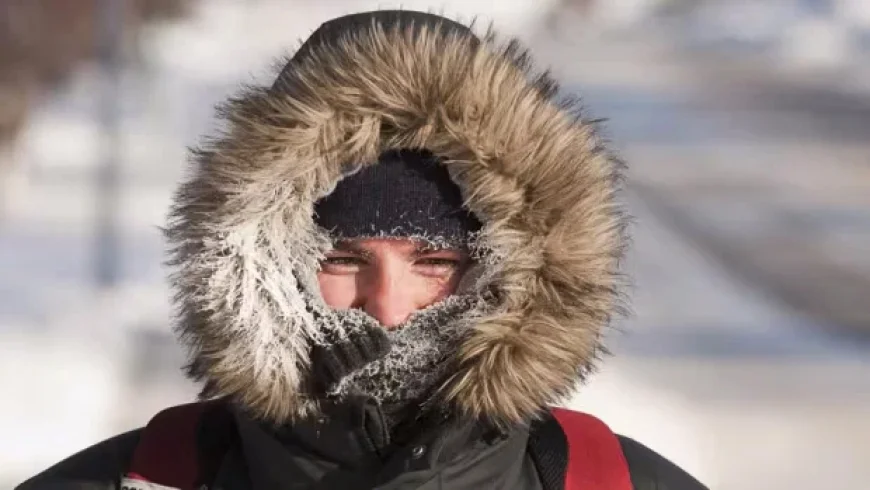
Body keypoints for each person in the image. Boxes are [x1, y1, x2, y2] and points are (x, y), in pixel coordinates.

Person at [18, 10, 708, 490]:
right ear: (263, 266)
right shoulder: (138, 478)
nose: (387, 306)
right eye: (342, 260)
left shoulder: (610, 481)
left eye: (434, 263)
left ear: (513, 275)